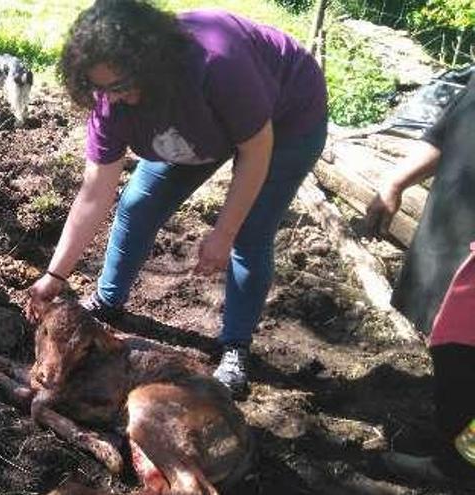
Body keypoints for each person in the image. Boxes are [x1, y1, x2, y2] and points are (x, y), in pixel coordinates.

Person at [24, 0, 328, 396]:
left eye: (117, 87)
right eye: (99, 89)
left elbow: (256, 151)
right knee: (137, 205)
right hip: (202, 128)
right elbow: (95, 193)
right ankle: (108, 300)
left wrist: (223, 232)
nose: (109, 99)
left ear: (150, 62)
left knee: (249, 235)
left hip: (286, 121)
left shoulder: (217, 62)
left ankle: (234, 346)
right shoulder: (111, 105)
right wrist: (55, 275)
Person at [368, 71, 475, 486]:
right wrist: (395, 181)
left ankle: (459, 468)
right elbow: (447, 133)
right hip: (452, 236)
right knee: (452, 355)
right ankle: (452, 446)